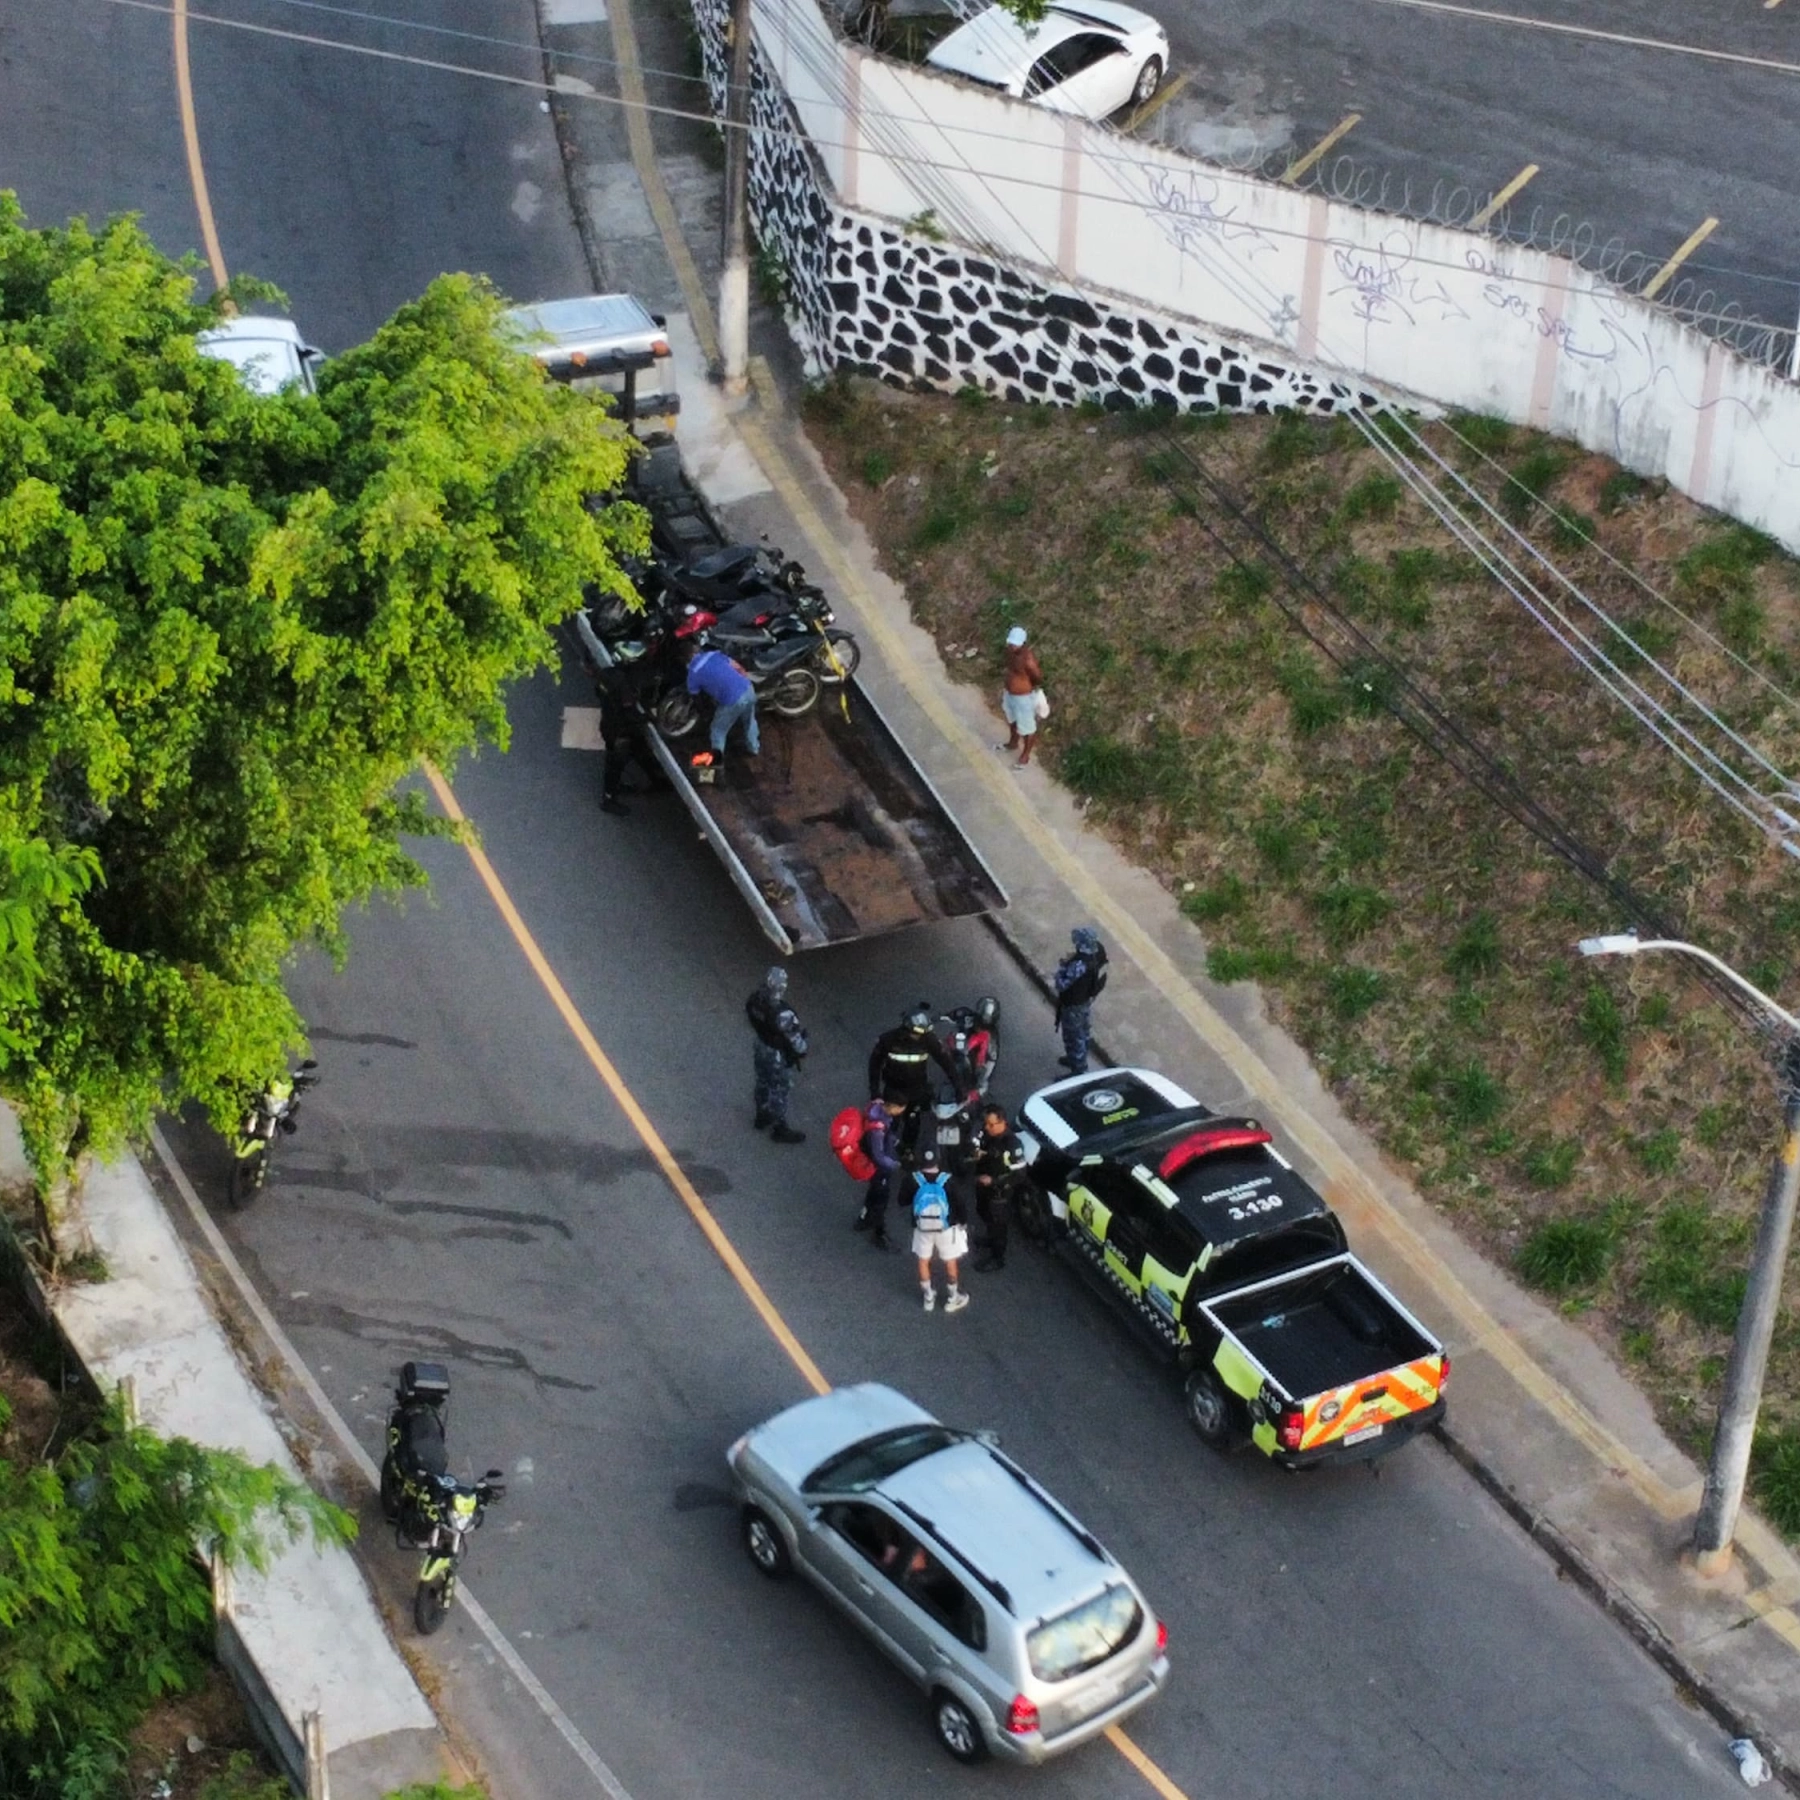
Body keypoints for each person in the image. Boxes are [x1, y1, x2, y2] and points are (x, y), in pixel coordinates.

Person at [868, 1002, 961, 1162]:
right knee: (890, 1122)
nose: (918, 1038)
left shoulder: (928, 1039)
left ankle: (907, 1149)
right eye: (915, 1034)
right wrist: (875, 1092)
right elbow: (874, 1065)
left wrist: (958, 1086)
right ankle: (883, 1150)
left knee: (913, 1120)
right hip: (894, 1089)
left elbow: (946, 1062)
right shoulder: (888, 1040)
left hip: (916, 1089)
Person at [596, 644, 664, 817]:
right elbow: (629, 713)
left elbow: (600, 693)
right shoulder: (624, 686)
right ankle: (608, 799)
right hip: (621, 731)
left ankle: (657, 781)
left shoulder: (605, 674)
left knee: (639, 751)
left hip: (608, 724)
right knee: (615, 764)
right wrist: (648, 718)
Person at [745, 966, 808, 1143]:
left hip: (760, 1046)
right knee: (779, 1089)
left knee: (762, 1081)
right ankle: (779, 1128)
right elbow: (797, 1043)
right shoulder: (783, 1013)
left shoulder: (755, 1000)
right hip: (776, 1054)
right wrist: (803, 1048)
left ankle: (761, 1115)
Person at [910, 1147, 969, 1313]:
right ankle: (953, 1297)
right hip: (946, 1228)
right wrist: (963, 1222)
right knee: (950, 1261)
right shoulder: (948, 1180)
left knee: (923, 1260)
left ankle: (928, 1297)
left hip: (922, 1227)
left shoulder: (914, 1179)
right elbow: (960, 1204)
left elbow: (902, 1200)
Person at [972, 1103, 1027, 1273]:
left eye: (991, 1124)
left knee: (998, 1226)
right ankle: (990, 1238)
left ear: (1002, 1122)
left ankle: (997, 1258)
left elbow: (1019, 1175)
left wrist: (994, 1181)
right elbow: (978, 1144)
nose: (986, 1127)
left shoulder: (1012, 1145)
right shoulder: (988, 1135)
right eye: (986, 1123)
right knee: (983, 1211)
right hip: (983, 1185)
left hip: (999, 1193)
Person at [686, 643, 759, 766]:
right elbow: (738, 668)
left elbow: (696, 697)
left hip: (733, 701)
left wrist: (704, 713)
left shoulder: (693, 674)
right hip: (748, 688)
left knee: (717, 729)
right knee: (749, 720)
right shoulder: (714, 654)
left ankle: (717, 762)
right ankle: (754, 748)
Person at [1053, 926, 1109, 1075]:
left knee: (1073, 1037)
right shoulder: (1097, 952)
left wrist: (1062, 966)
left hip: (1073, 1006)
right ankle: (1076, 1059)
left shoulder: (1079, 965)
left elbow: (1061, 984)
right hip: (1085, 1000)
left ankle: (1078, 1070)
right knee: (1083, 1033)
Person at [854, 1097, 905, 1249]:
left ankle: (864, 1218)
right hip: (880, 1168)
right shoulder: (877, 1130)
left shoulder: (875, 1108)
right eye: (901, 1107)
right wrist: (895, 1165)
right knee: (881, 1200)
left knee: (873, 1193)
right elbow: (879, 1156)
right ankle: (878, 1233)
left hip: (871, 1164)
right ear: (893, 1107)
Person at [998, 624, 1043, 768]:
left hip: (1022, 697)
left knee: (1028, 727)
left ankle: (1025, 756)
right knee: (1013, 720)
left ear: (1023, 644)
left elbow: (1037, 676)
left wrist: (1027, 687)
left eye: (1015, 644)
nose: (1012, 646)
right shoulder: (1010, 652)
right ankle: (1013, 743)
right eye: (1011, 643)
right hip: (1010, 694)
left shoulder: (1028, 659)